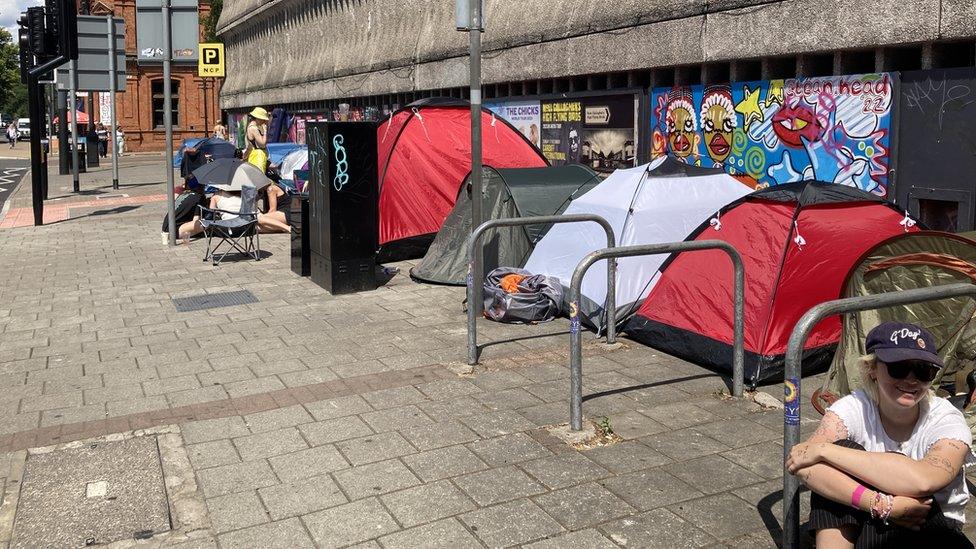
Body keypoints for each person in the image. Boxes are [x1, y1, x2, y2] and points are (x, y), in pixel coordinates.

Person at [787, 321, 975, 548]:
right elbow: (802, 464)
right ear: (872, 369)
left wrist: (825, 450)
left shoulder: (945, 418)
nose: (912, 379)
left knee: (895, 487)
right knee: (844, 458)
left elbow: (925, 480)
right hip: (877, 518)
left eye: (924, 371)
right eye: (899, 368)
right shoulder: (853, 407)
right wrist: (878, 504)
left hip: (934, 527)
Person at [242, 107, 270, 173]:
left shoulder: (252, 126)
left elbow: (250, 145)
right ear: (258, 118)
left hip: (256, 154)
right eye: (263, 119)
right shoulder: (254, 128)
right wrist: (265, 131)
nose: (264, 121)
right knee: (260, 177)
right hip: (258, 156)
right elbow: (262, 143)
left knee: (255, 176)